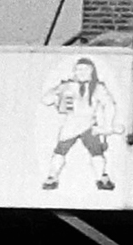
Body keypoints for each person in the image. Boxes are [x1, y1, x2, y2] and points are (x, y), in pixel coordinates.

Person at [42, 57, 119, 191]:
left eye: (84, 69)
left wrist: (107, 125)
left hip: (88, 124)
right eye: (78, 69)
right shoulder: (67, 86)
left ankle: (101, 177)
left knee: (96, 151)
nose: (81, 72)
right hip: (71, 123)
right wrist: (56, 95)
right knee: (60, 149)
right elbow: (46, 100)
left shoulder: (98, 87)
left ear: (91, 70)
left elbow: (109, 105)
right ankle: (52, 177)